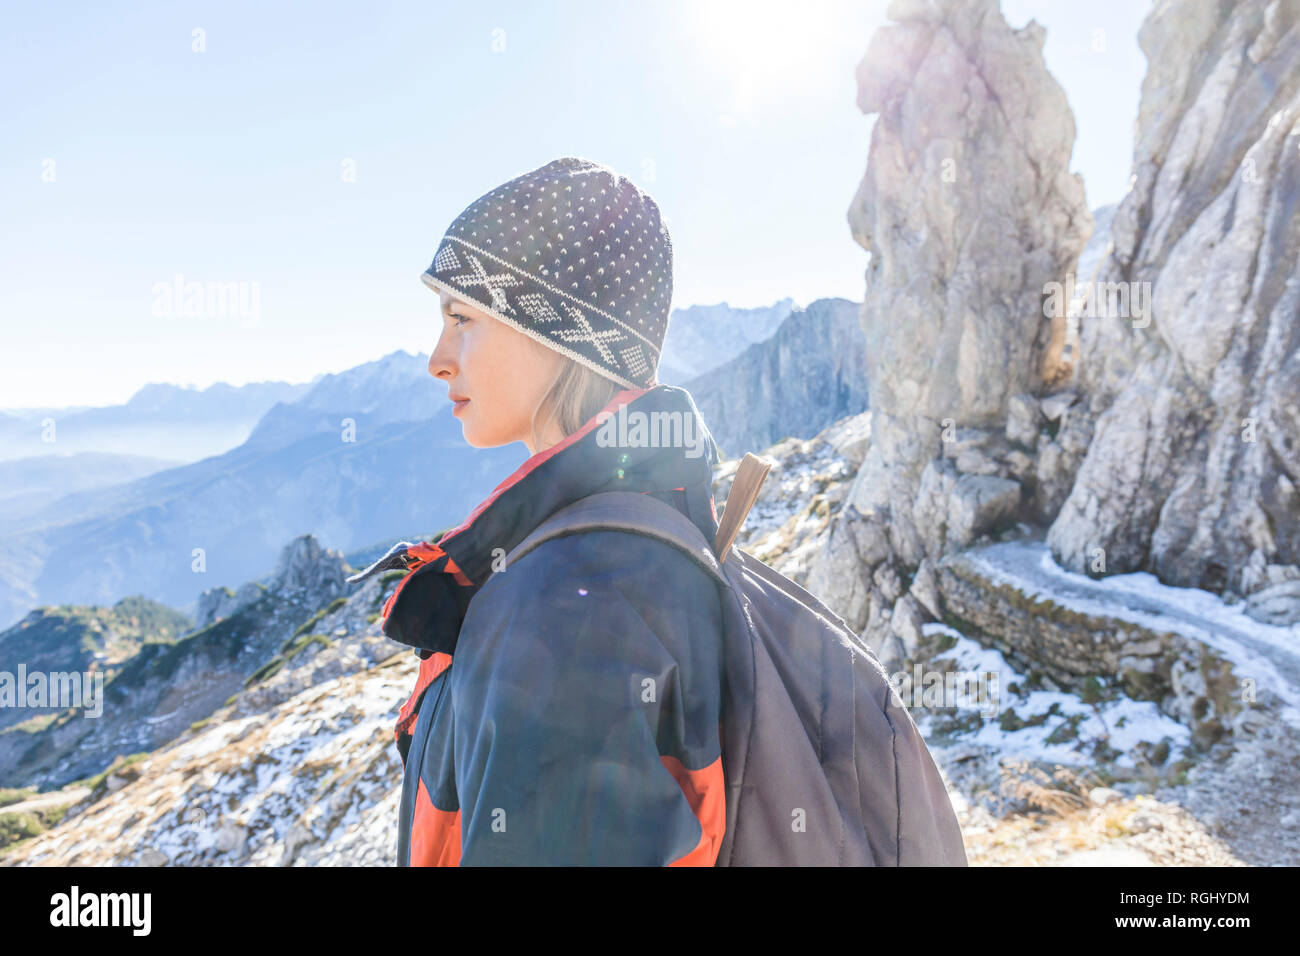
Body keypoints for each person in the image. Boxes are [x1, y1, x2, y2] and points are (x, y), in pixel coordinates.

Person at [385, 156, 728, 865]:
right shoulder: (640, 537)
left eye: (461, 318)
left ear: (553, 331)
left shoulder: (565, 606)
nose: (437, 359)